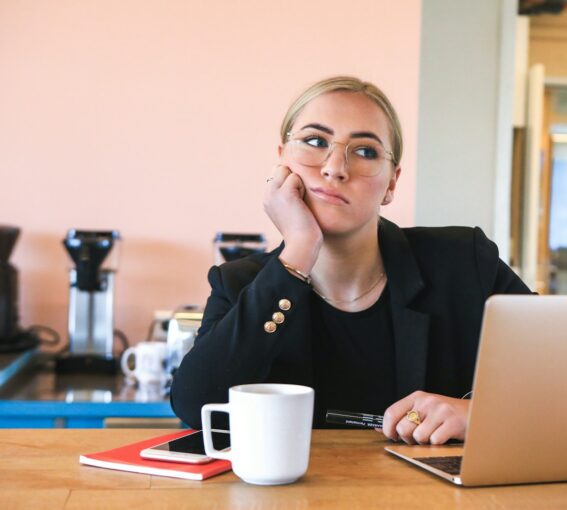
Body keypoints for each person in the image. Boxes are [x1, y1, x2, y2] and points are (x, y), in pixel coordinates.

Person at [170, 76, 532, 445]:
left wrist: (480, 415)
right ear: (281, 162)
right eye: (315, 142)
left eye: (365, 151)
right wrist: (298, 250)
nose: (334, 167)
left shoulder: (464, 262)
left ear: (392, 183)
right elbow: (196, 406)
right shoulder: (239, 283)